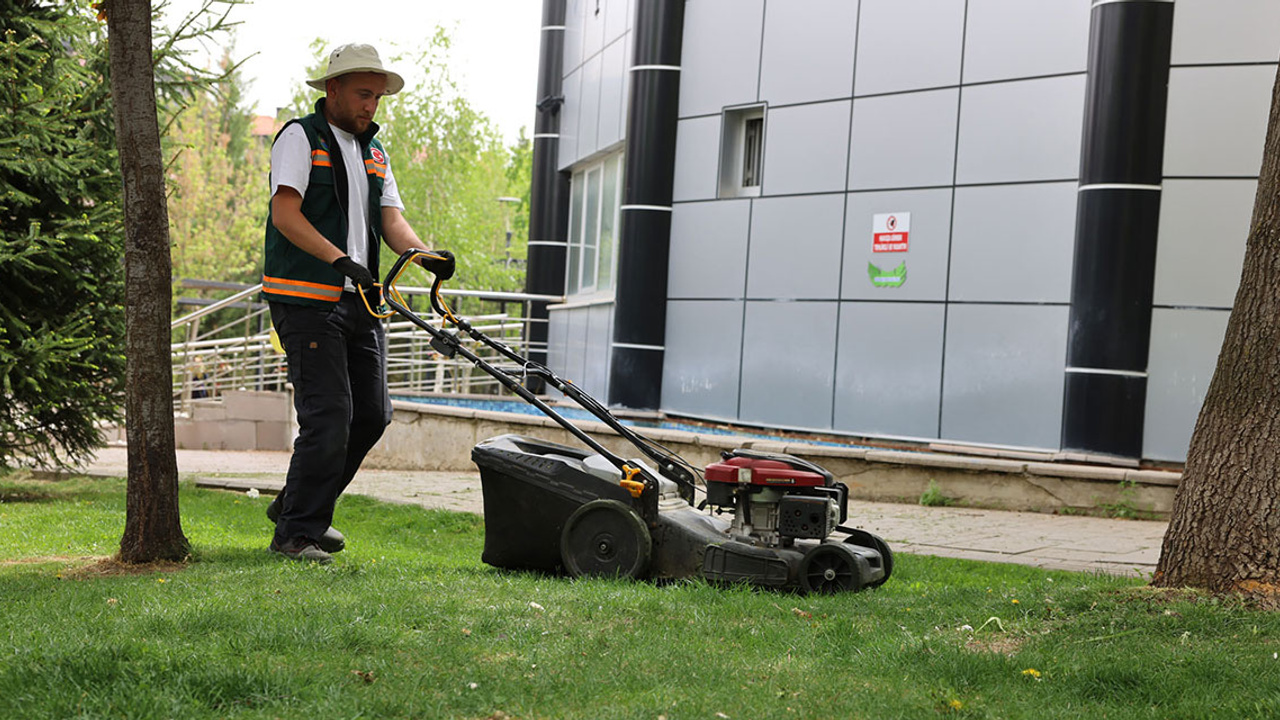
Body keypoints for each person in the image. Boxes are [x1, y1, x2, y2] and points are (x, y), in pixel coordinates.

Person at [261, 43, 454, 563]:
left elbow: (390, 219)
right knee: (329, 416)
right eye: (363, 94)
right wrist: (339, 258)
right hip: (307, 298)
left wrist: (423, 255)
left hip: (361, 303)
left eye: (378, 96)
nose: (372, 104)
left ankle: (296, 507)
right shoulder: (301, 138)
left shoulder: (375, 151)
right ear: (334, 89)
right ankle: (296, 535)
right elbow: (285, 214)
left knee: (371, 414)